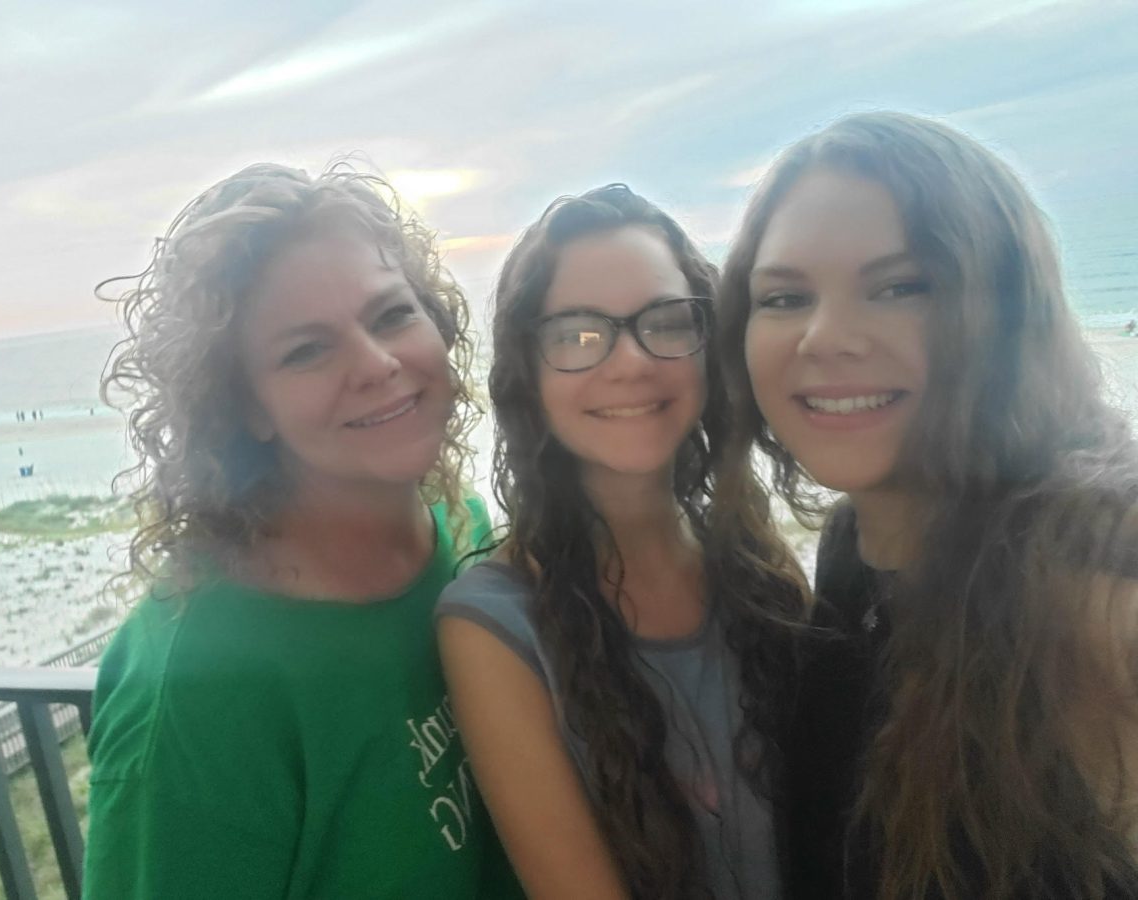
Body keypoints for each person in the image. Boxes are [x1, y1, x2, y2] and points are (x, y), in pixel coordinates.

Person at [720, 111, 1138, 899]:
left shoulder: (1093, 593)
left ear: (1005, 312)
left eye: (901, 286)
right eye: (783, 297)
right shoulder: (854, 552)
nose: (826, 336)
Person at [84, 162, 522, 899]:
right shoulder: (196, 697)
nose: (378, 364)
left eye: (391, 315)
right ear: (245, 407)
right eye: (307, 350)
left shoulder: (461, 525)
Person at [436, 184, 807, 899]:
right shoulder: (495, 626)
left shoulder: (760, 569)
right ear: (529, 375)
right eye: (577, 334)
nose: (630, 361)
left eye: (666, 321)